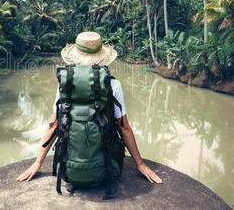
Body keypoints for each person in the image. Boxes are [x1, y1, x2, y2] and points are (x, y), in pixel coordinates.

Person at [17, 31, 162, 185]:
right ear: (103, 57)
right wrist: (140, 164)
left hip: (68, 172)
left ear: (74, 56)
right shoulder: (113, 85)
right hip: (106, 171)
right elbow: (124, 128)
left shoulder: (66, 84)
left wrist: (38, 162)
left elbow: (54, 124)